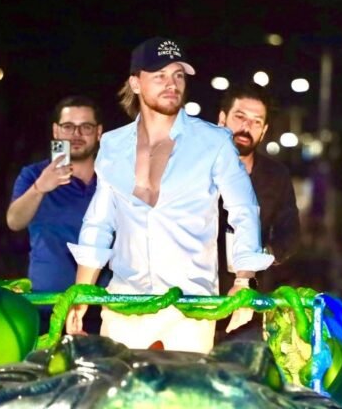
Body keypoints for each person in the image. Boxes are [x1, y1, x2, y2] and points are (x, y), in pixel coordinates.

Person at [65, 37, 274, 353]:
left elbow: (244, 211)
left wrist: (245, 282)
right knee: (117, 384)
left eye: (178, 75)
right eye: (159, 75)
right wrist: (81, 293)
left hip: (190, 307)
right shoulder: (113, 144)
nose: (171, 84)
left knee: (185, 385)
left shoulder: (214, 142)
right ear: (136, 83)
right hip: (125, 302)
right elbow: (99, 223)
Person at [6, 95, 109, 333]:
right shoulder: (34, 175)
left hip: (103, 306)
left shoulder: (113, 177)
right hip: (47, 306)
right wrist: (40, 188)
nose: (76, 134)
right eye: (68, 126)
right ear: (56, 131)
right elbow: (14, 221)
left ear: (99, 132)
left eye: (86, 127)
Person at [216, 83, 301, 341]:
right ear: (222, 119)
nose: (246, 127)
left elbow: (290, 232)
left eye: (256, 122)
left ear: (264, 131)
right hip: (197, 296)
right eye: (240, 117)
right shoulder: (197, 169)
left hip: (251, 300)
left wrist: (263, 255)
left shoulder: (276, 176)